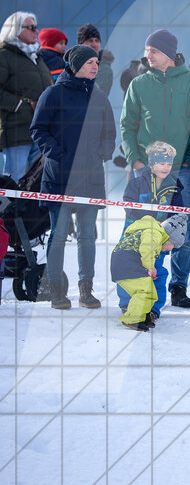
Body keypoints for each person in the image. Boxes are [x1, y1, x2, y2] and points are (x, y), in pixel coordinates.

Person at [121, 29, 190, 308]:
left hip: (181, 170)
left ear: (169, 54)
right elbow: (127, 126)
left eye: (153, 51)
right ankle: (146, 283)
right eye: (147, 50)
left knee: (180, 229)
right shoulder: (138, 85)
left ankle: (178, 286)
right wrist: (135, 159)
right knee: (145, 228)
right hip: (145, 171)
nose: (147, 55)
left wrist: (189, 161)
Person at [29, 44, 116, 308]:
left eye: (97, 63)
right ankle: (56, 290)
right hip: (60, 176)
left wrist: (102, 153)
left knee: (87, 236)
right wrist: (57, 153)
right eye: (90, 62)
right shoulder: (53, 93)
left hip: (90, 177)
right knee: (57, 235)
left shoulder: (99, 97)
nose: (95, 66)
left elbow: (110, 134)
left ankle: (85, 290)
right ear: (76, 64)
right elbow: (38, 129)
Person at [116, 142, 184, 318]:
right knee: (130, 268)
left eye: (169, 164)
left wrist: (169, 230)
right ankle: (127, 304)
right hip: (135, 235)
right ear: (151, 164)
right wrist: (147, 217)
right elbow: (128, 204)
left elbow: (178, 213)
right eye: (162, 163)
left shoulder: (175, 187)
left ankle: (153, 308)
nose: (166, 168)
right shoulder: (137, 183)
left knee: (156, 271)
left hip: (159, 239)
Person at [111, 214, 188, 332]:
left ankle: (143, 316)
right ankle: (132, 319)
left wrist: (151, 267)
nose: (171, 250)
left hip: (129, 263)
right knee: (143, 291)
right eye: (173, 245)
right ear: (168, 237)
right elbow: (147, 250)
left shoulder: (157, 236)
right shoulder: (154, 233)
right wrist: (150, 267)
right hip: (125, 263)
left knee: (151, 293)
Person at [1, 11, 51, 180]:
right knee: (14, 185)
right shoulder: (4, 56)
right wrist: (19, 105)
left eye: (36, 27)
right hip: (16, 132)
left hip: (40, 131)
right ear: (15, 29)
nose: (36, 31)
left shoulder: (37, 57)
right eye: (31, 27)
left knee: (34, 185)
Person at [76, 24, 114, 95]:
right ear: (81, 44)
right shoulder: (71, 64)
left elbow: (94, 95)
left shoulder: (104, 69)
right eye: (90, 41)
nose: (94, 44)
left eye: (97, 41)